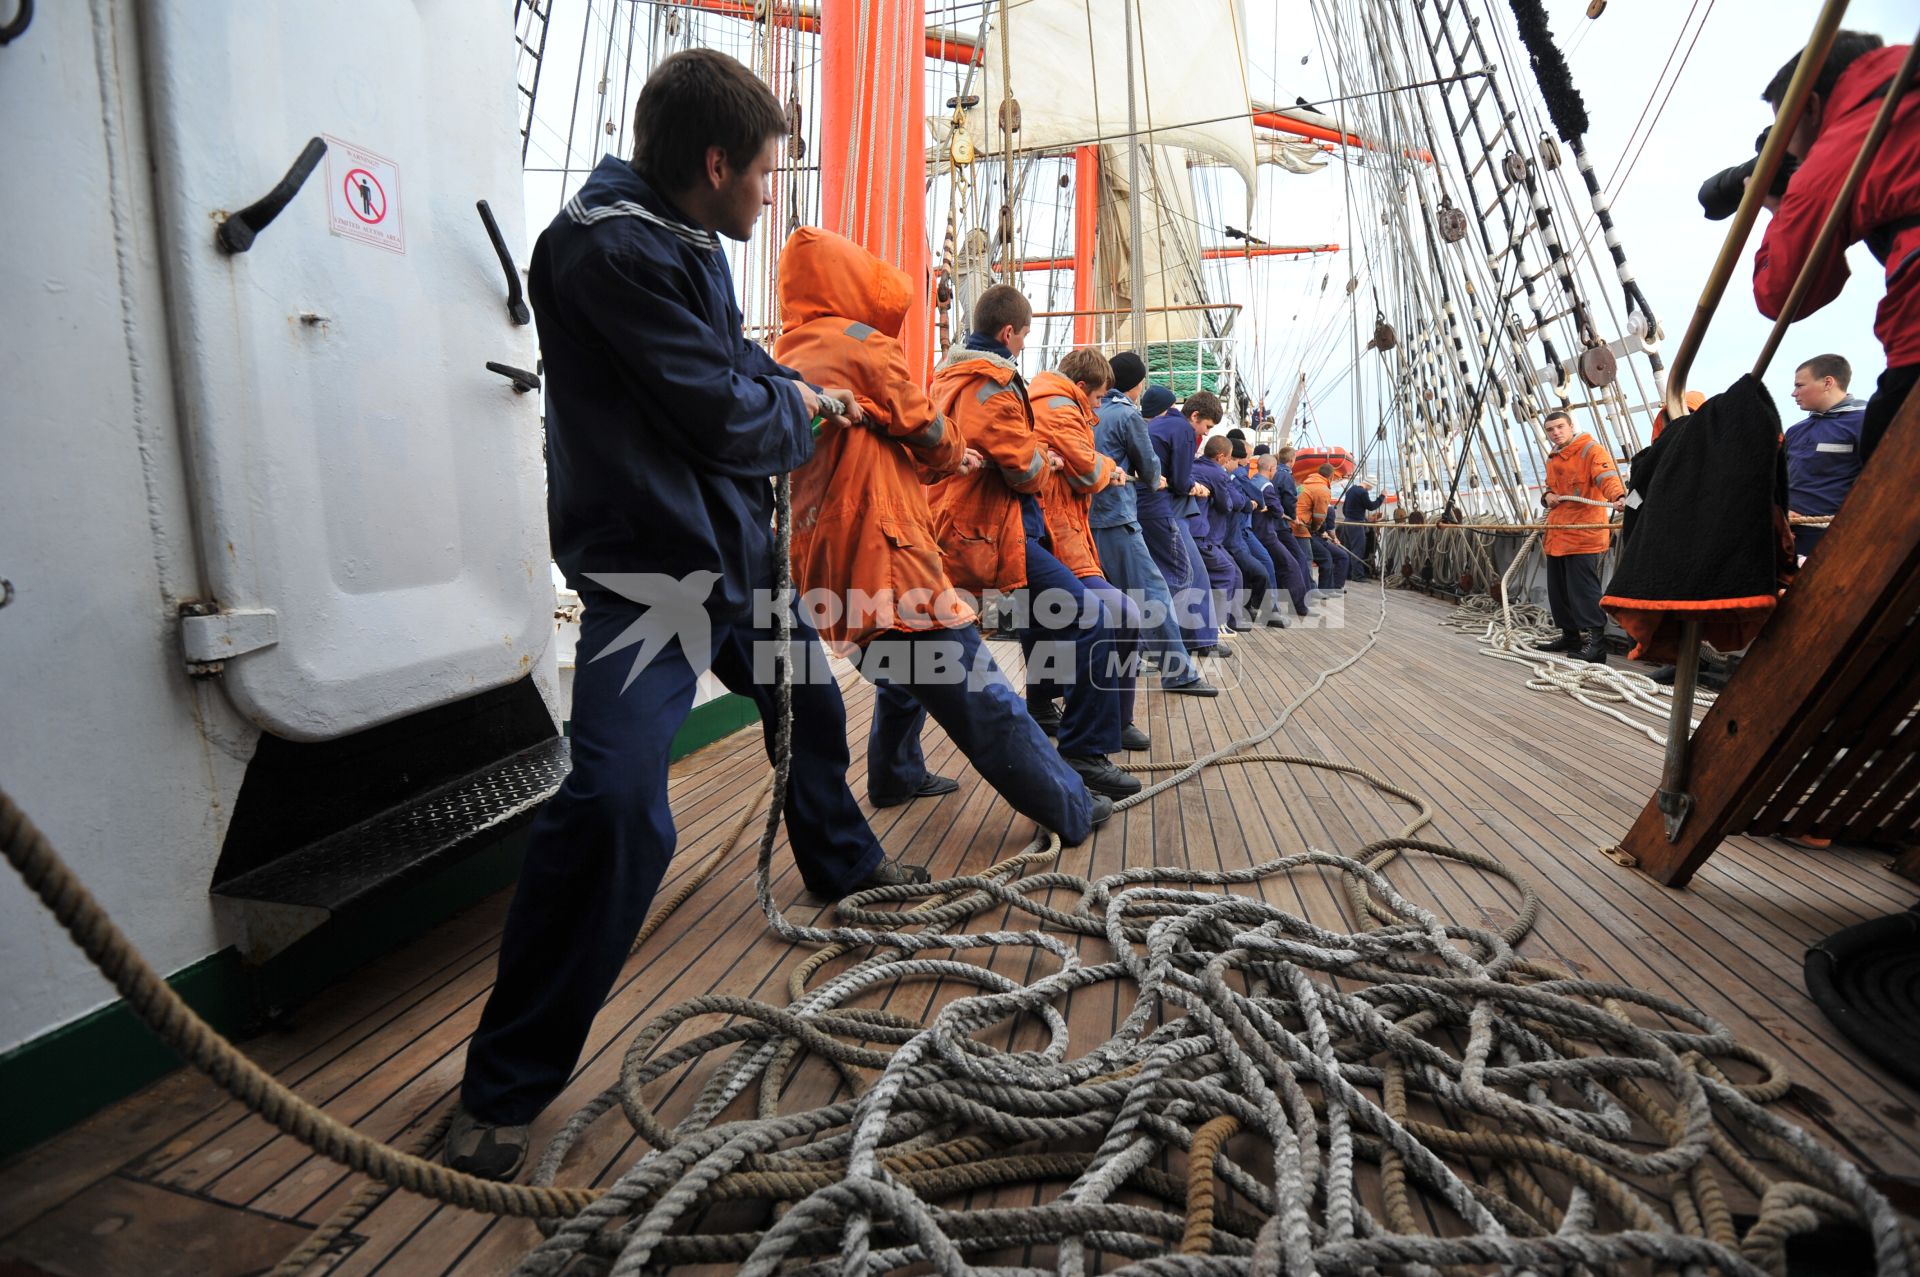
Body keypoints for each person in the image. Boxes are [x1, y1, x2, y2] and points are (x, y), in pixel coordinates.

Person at [449, 51, 919, 1181]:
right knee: (617, 805)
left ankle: (844, 866)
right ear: (714, 164)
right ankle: (505, 1085)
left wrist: (780, 385)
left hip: (728, 557)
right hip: (658, 578)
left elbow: (726, 364)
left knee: (806, 695)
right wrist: (801, 407)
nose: (771, 191)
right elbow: (723, 412)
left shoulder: (681, 236)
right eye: (764, 172)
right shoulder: (612, 246)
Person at [770, 226, 1107, 841]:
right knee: (980, 691)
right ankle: (1072, 806)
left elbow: (871, 436)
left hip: (822, 557)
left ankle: (895, 774)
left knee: (905, 669)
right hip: (889, 550)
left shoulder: (782, 354)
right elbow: (924, 426)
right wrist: (957, 455)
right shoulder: (861, 344)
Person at [926, 286, 1141, 800]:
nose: (1023, 345)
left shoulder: (944, 378)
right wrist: (1047, 461)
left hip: (950, 527)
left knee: (921, 634)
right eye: (1023, 335)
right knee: (1095, 617)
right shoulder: (992, 386)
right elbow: (1024, 471)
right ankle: (1086, 754)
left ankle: (895, 768)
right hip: (993, 530)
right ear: (1008, 333)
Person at [1751, 30, 1919, 459]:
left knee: (1883, 468)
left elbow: (1783, 294)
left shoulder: (1837, 154)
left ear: (1809, 106)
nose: (1786, 149)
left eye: (1785, 131)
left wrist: (1778, 208)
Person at [1026, 350, 1158, 749]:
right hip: (1060, 533)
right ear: (1082, 387)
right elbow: (1084, 471)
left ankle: (1042, 704)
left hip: (1056, 532)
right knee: (1122, 614)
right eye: (1099, 397)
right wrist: (1109, 467)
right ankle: (1110, 725)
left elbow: (1079, 463)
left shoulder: (1047, 401)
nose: (1100, 406)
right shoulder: (1061, 408)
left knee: (1045, 620)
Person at [1088, 353, 1217, 696]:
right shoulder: (1127, 415)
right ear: (1136, 384)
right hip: (1118, 517)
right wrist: (1152, 477)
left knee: (1111, 595)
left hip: (1086, 518)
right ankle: (1178, 673)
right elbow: (1150, 469)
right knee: (1153, 591)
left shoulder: (1090, 412)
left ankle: (1125, 661)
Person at [1140, 386, 1228, 657]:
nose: (1206, 433)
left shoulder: (1160, 424)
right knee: (1191, 573)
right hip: (1164, 508)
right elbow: (1178, 480)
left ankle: (1180, 639)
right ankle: (1195, 641)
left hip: (1145, 508)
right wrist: (1193, 486)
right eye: (1207, 426)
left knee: (1164, 575)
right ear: (1195, 416)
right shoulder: (1184, 431)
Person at [1537, 409, 1627, 664]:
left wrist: (1618, 497)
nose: (1555, 433)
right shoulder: (1553, 457)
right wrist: (1547, 497)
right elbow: (1550, 487)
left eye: (1559, 427)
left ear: (1571, 426)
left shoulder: (1590, 450)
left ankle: (1597, 645)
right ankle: (1570, 636)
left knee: (1584, 591)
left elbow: (1606, 477)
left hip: (1583, 534)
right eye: (1550, 429)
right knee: (1559, 590)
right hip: (1557, 534)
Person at [1783, 353, 1867, 560]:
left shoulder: (1865, 422)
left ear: (1828, 382)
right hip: (1788, 534)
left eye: (1800, 385)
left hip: (1834, 539)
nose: (1794, 393)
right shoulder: (1795, 431)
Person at [1190, 435, 1249, 629]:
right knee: (1227, 572)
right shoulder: (1218, 473)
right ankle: (1218, 624)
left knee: (1231, 572)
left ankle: (1227, 621)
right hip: (1206, 535)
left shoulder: (1193, 465)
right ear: (1221, 456)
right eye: (1229, 457)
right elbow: (1228, 505)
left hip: (1192, 529)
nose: (1229, 461)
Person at [1223, 440, 1283, 626]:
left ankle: (1251, 608)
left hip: (1236, 532)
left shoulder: (1234, 475)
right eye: (1248, 457)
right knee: (1263, 567)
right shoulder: (1238, 475)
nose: (1250, 462)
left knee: (1247, 571)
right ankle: (1268, 611)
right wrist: (1251, 504)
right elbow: (1255, 498)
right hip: (1239, 532)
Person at [1249, 455, 1311, 617]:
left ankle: (1255, 603)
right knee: (1291, 565)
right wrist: (1279, 511)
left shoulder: (1252, 481)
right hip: (1266, 534)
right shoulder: (1267, 486)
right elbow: (1277, 510)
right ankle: (1300, 606)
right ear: (1271, 469)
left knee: (1260, 568)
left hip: (1252, 532)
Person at [1295, 462, 1338, 592]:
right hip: (1301, 528)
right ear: (1331, 477)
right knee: (1307, 558)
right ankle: (1309, 591)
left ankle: (1311, 589)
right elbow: (1319, 516)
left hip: (1292, 524)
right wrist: (1316, 529)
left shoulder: (1304, 485)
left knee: (1301, 558)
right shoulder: (1323, 489)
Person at [1340, 476, 1385, 578]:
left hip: (1347, 523)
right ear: (1369, 484)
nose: (1372, 488)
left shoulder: (1351, 490)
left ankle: (1347, 574)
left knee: (1348, 549)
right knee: (1357, 550)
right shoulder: (1363, 492)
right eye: (1372, 486)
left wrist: (1350, 516)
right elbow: (1371, 506)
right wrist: (1381, 497)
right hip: (1357, 524)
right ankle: (1357, 575)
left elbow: (1344, 508)